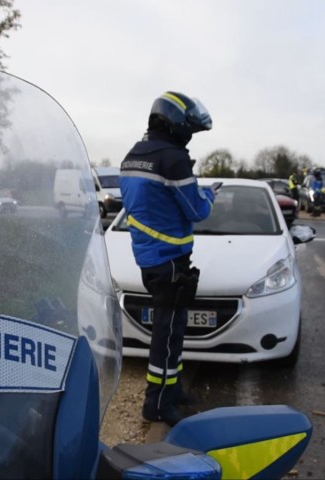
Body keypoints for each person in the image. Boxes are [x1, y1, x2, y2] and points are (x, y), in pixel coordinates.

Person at [119, 91, 215, 426]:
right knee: (166, 336)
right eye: (190, 128)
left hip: (149, 258)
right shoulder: (172, 159)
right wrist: (209, 195)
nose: (190, 135)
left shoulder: (134, 155)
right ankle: (157, 405)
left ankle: (173, 390)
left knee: (173, 331)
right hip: (171, 260)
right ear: (176, 122)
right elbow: (197, 210)